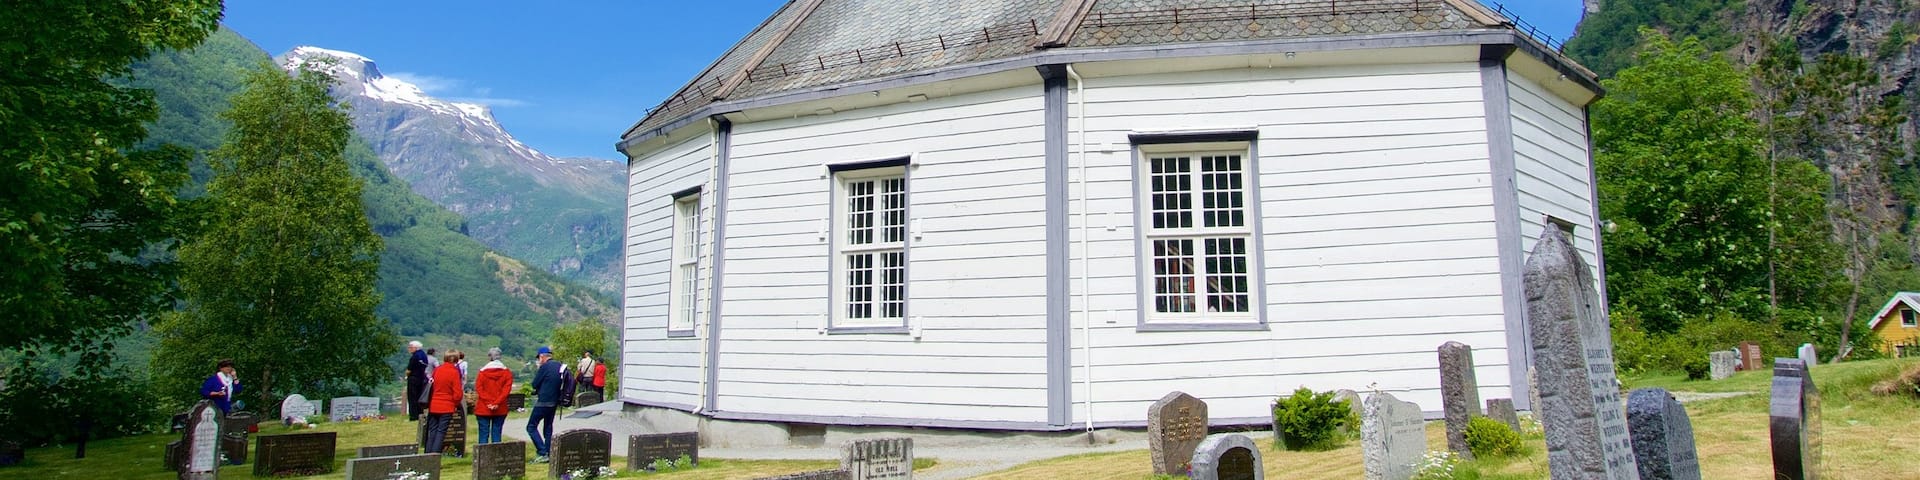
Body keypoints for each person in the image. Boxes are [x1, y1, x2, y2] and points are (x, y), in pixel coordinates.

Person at [525, 346, 562, 463]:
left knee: (531, 426)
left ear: (542, 357)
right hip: (554, 401)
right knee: (548, 427)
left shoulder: (545, 367)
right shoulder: (559, 365)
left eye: (539, 358)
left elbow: (535, 384)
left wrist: (540, 369)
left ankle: (542, 452)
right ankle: (550, 452)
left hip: (544, 401)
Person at [424, 351, 463, 456]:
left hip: (434, 404)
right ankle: (435, 456)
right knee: (441, 432)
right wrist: (456, 404)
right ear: (456, 359)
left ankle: (426, 455)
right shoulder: (454, 372)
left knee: (432, 431)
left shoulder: (437, 370)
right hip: (446, 406)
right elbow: (458, 393)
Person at [474, 348, 513, 444]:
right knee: (497, 434)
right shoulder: (507, 373)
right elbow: (506, 390)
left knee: (483, 434)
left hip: (483, 407)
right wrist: (497, 403)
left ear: (489, 357)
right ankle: (496, 456)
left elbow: (479, 389)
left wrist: (489, 402)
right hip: (500, 408)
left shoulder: (482, 373)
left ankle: (482, 457)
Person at [406, 341, 430, 421]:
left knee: (412, 398)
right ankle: (420, 414)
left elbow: (409, 369)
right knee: (419, 397)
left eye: (410, 347)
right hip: (421, 378)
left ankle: (413, 416)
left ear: (415, 348)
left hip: (413, 378)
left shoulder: (415, 356)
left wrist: (406, 375)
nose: (409, 349)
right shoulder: (423, 355)